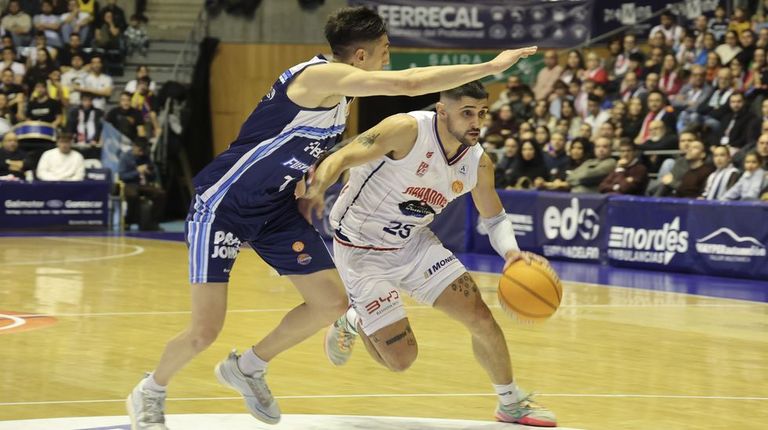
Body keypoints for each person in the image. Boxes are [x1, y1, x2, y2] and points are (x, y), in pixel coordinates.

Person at [125, 6, 538, 429]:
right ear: (360, 55)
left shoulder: (341, 99)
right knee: (205, 330)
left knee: (331, 303)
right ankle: (150, 391)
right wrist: (493, 65)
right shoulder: (317, 77)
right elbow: (410, 83)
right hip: (223, 206)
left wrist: (313, 182)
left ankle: (247, 367)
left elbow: (297, 149)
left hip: (275, 209)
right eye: (384, 48)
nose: (388, 56)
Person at [305, 81, 556, 427]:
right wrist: (318, 187)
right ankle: (354, 318)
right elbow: (343, 155)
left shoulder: (478, 163)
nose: (476, 122)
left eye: (482, 113)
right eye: (467, 113)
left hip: (413, 243)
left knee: (480, 318)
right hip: (361, 250)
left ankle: (510, 403)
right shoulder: (405, 130)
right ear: (442, 111)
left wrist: (511, 253)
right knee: (400, 360)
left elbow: (494, 216)